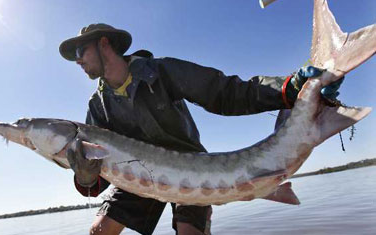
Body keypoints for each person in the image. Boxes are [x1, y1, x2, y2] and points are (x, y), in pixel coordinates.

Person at [58, 23, 342, 235]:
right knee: (98, 231)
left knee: (189, 232)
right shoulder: (98, 105)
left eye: (80, 51)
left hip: (190, 168)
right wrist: (85, 177)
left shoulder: (161, 71)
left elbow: (226, 92)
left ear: (104, 43)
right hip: (137, 176)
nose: (78, 60)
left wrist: (288, 88)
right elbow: (98, 178)